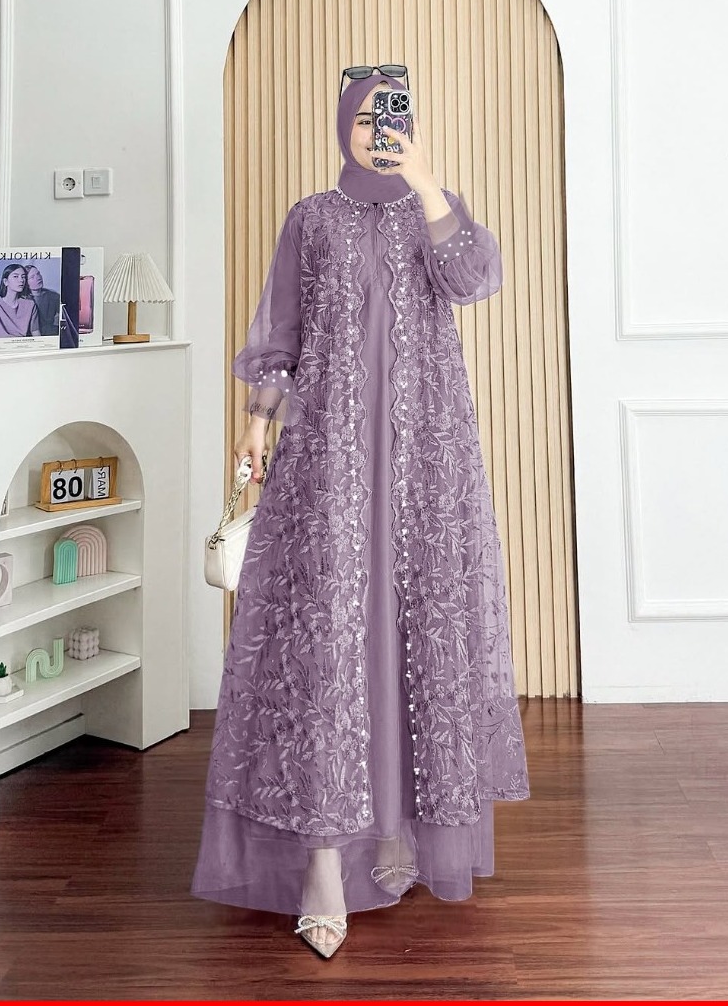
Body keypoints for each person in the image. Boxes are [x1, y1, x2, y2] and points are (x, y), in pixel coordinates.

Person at [190, 68, 530, 959]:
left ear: (410, 126)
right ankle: (321, 869)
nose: (378, 128)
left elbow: (475, 279)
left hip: (423, 464)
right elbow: (282, 332)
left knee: (407, 636)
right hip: (331, 459)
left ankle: (392, 835)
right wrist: (256, 424)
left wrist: (425, 181)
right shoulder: (311, 218)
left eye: (393, 115)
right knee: (330, 646)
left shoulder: (437, 210)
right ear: (341, 123)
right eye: (365, 115)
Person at [0, 263, 41, 338]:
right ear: (5, 282)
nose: (21, 280)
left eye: (23, 277)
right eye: (15, 276)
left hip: (22, 343)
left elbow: (35, 331)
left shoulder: (30, 305)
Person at [23, 265, 61, 337]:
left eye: (38, 274)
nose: (38, 278)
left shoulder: (54, 296)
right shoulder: (23, 301)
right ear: (26, 283)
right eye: (32, 277)